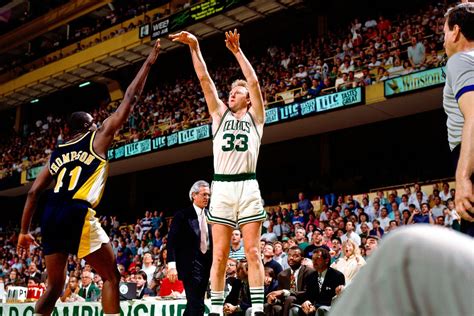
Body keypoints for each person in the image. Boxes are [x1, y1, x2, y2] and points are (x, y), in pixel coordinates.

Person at [16, 40, 161, 315]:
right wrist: (148, 63)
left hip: (49, 214)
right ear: (89, 126)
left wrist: (24, 231)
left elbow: (34, 192)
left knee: (54, 286)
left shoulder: (57, 152)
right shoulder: (97, 138)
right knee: (111, 277)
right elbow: (129, 98)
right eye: (94, 122)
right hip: (76, 211)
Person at [169, 29, 266, 316]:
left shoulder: (256, 118)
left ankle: (258, 310)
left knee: (253, 252)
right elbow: (204, 80)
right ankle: (214, 311)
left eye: (237, 92)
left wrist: (237, 52)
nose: (231, 94)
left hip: (248, 186)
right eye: (231, 92)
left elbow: (255, 82)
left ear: (247, 99)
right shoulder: (219, 116)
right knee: (220, 255)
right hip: (222, 187)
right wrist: (195, 47)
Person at [330, 225, 474, 315]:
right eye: (366, 243)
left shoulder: (365, 260)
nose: (367, 245)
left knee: (402, 241)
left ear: (380, 246)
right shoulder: (349, 262)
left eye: (372, 242)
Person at [442, 2, 474, 237]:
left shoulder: (460, 60)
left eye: (444, 32)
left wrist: (462, 177)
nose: (443, 40)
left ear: (455, 31)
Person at [167, 180, 212, 315]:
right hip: (190, 265)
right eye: (204, 195)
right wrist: (171, 266)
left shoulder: (211, 215)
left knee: (197, 303)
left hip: (207, 264)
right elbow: (172, 241)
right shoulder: (182, 215)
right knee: (195, 303)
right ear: (194, 195)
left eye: (209, 195)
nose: (207, 198)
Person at [265, 246, 314, 316]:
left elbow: (308, 292)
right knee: (268, 305)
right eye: (289, 255)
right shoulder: (282, 274)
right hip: (287, 303)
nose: (291, 258)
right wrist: (274, 299)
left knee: (290, 298)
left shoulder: (309, 272)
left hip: (303, 301)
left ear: (302, 260)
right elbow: (280, 298)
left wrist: (285, 292)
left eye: (295, 256)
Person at [296, 248, 345, 316]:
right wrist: (307, 302)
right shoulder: (310, 276)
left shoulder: (337, 276)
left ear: (326, 260)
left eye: (317, 258)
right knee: (296, 309)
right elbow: (308, 294)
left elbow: (336, 299)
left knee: (321, 310)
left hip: (328, 307)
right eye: (313, 259)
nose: (314, 261)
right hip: (312, 306)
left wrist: (315, 307)